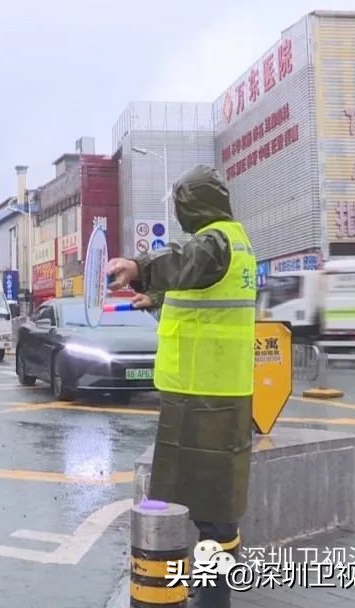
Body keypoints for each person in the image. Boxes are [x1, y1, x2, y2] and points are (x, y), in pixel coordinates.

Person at [106, 164, 256, 608]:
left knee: (211, 510)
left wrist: (139, 266)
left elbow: (189, 261)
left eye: (181, 204)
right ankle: (202, 594)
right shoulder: (235, 241)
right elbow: (200, 292)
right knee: (203, 500)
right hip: (204, 391)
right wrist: (154, 299)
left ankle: (209, 600)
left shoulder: (216, 241)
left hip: (207, 395)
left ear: (194, 204)